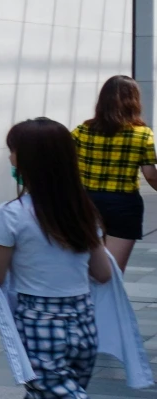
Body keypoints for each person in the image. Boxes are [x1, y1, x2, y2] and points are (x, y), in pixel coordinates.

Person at [0, 118, 114, 399]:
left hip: (39, 322)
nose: (10, 156)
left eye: (12, 150)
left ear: (26, 160)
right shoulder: (84, 210)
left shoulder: (12, 214)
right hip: (83, 320)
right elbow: (103, 273)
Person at [72, 74, 157, 268]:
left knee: (87, 267)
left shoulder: (82, 131)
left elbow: (64, 163)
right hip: (124, 205)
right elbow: (151, 175)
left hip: (86, 202)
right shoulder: (142, 134)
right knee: (112, 273)